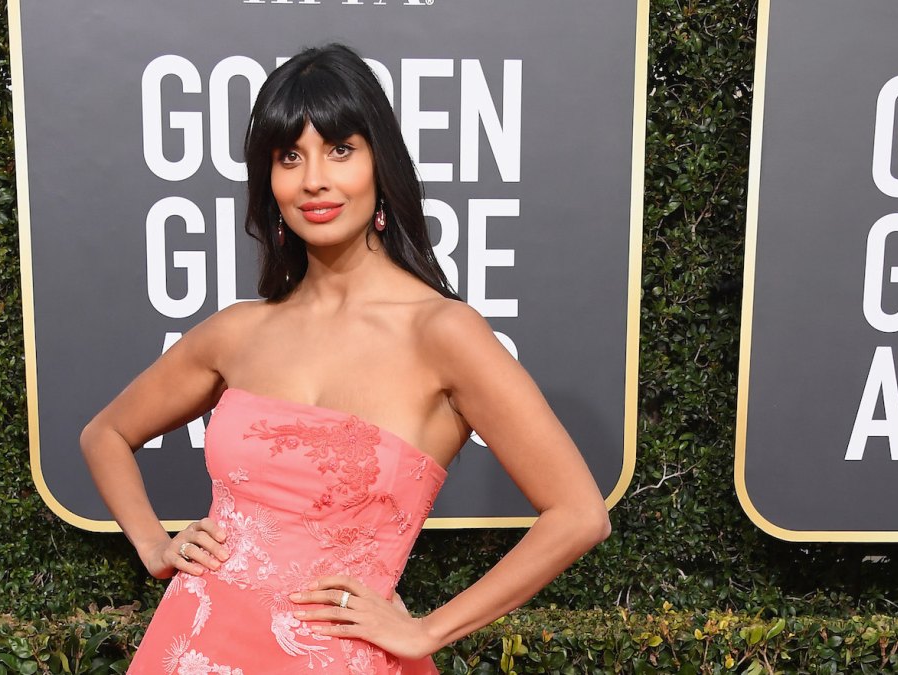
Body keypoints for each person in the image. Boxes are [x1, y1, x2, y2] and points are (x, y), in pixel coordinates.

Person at [80, 43, 610, 675]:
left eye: (340, 150)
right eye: (288, 157)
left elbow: (579, 515)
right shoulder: (238, 332)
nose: (314, 180)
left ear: (378, 163)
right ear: (268, 180)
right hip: (194, 646)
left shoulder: (443, 333)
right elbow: (104, 433)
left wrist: (428, 631)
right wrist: (154, 544)